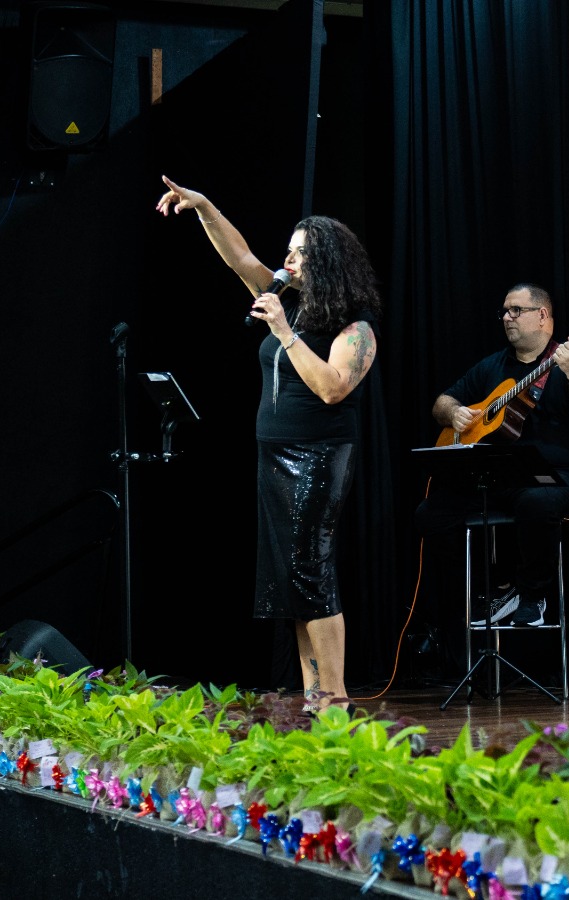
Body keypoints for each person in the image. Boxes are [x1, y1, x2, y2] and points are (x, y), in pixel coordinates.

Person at [154, 175, 381, 713]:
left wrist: (284, 332)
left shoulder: (356, 328)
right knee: (291, 579)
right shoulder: (292, 302)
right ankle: (314, 695)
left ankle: (337, 698)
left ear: (326, 262)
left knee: (312, 571)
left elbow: (332, 388)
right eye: (289, 251)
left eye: (299, 253)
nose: (288, 260)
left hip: (318, 456)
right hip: (274, 455)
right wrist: (204, 206)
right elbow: (240, 257)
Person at [415, 283, 569, 630]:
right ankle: (489, 592)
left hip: (559, 474)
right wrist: (454, 413)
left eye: (516, 310)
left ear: (543, 316)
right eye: (504, 311)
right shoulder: (493, 365)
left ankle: (532, 596)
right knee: (431, 513)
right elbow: (442, 402)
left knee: (536, 501)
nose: (506, 317)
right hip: (502, 475)